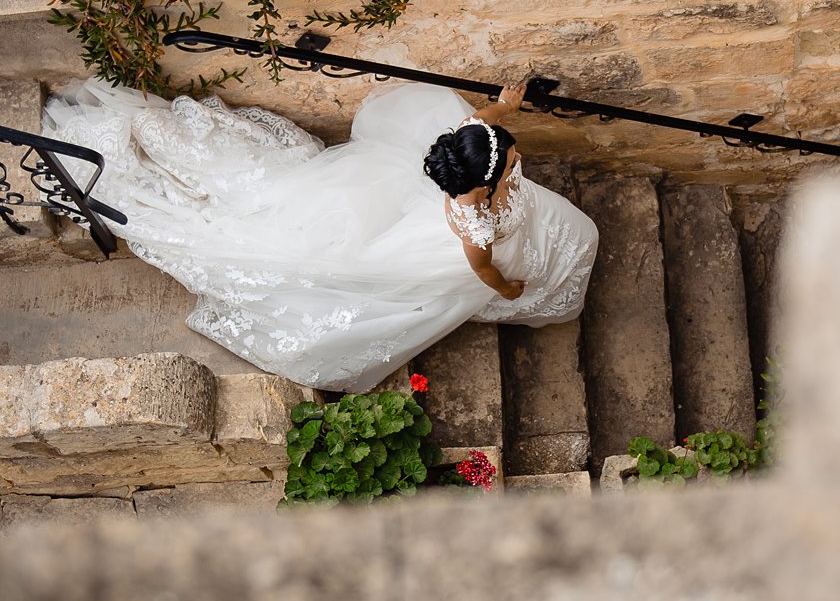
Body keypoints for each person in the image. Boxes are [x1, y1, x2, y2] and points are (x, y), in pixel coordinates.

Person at [40, 76, 599, 392]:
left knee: (566, 230)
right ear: (485, 185)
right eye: (511, 164)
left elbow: (485, 120)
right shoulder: (474, 229)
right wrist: (508, 291)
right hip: (449, 246)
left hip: (457, 208)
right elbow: (484, 271)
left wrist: (505, 104)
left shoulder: (471, 146)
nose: (518, 160)